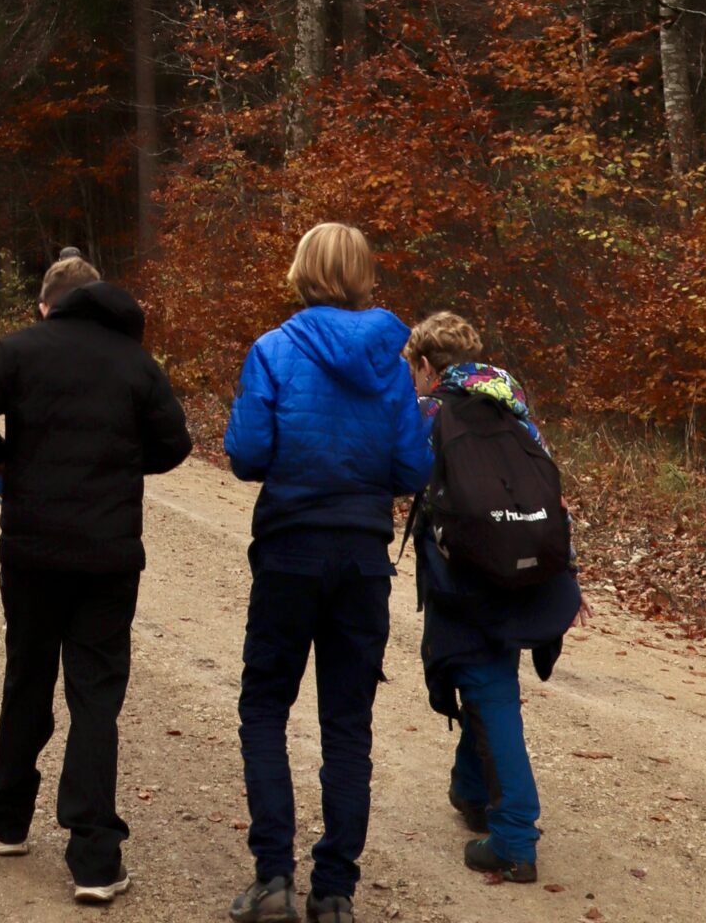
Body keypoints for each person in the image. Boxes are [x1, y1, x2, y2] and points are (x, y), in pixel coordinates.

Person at [0, 254, 192, 907]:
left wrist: (1, 459)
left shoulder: (23, 350)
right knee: (96, 696)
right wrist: (126, 459)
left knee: (27, 674)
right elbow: (174, 443)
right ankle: (94, 857)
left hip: (33, 551)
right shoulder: (136, 364)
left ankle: (9, 815)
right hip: (108, 558)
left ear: (47, 305)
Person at [223, 222, 435, 923]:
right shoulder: (392, 361)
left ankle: (273, 878)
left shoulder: (274, 349)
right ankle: (336, 891)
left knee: (264, 707)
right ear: (365, 274)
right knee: (347, 724)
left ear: (302, 271)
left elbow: (249, 453)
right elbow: (411, 467)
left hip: (289, 548)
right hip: (362, 557)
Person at [405, 311, 581, 887]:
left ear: (427, 364)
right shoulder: (513, 400)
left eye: (413, 369)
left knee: (487, 685)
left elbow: (405, 473)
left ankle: (513, 837)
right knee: (487, 676)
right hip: (526, 566)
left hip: (469, 575)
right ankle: (471, 791)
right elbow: (546, 480)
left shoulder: (433, 409)